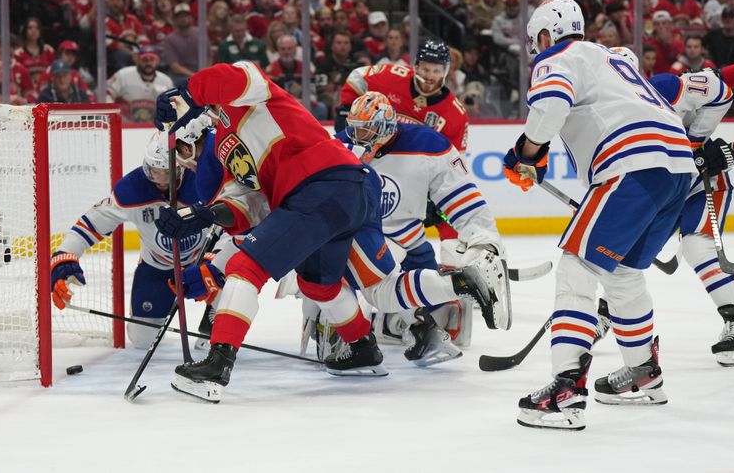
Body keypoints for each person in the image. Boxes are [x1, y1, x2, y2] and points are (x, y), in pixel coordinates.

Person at [506, 0, 694, 430]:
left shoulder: (558, 56)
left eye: (538, 42)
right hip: (676, 168)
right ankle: (644, 374)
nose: (538, 50)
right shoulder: (610, 57)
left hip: (630, 165)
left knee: (576, 266)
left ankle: (565, 390)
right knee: (622, 273)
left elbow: (550, 106)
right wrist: (533, 154)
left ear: (547, 35)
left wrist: (527, 152)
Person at [151, 60, 389, 402]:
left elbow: (235, 75)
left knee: (245, 268)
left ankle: (217, 366)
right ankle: (363, 348)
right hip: (340, 193)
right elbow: (251, 202)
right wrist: (202, 216)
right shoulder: (224, 147)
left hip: (319, 185)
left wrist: (187, 91)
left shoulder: (249, 94)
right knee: (318, 285)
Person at [336, 91, 511, 360]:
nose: (359, 136)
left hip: (407, 239)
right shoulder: (343, 144)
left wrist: (484, 239)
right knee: (341, 281)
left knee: (400, 294)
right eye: (356, 129)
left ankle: (423, 324)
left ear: (384, 125)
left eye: (367, 129)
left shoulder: (429, 144)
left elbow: (463, 196)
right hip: (364, 237)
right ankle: (420, 329)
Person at [607, 47, 734, 367]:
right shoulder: (604, 121)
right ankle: (601, 315)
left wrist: (714, 146)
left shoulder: (664, 89)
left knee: (696, 247)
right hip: (659, 196)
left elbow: (723, 85)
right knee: (616, 257)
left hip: (699, 185)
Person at [50, 131, 207, 349]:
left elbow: (233, 224)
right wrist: (64, 256)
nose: (160, 179)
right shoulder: (131, 191)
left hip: (203, 264)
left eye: (166, 171)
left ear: (180, 167)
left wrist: (214, 262)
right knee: (142, 340)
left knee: (216, 336)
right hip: (157, 267)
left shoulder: (203, 180)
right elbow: (91, 224)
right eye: (154, 171)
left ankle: (214, 321)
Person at [339, 38, 469, 153]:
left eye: (436, 71)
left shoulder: (456, 114)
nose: (430, 77)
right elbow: (358, 77)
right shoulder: (392, 77)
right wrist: (346, 110)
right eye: (425, 70)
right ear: (416, 66)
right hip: (377, 154)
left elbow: (455, 160)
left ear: (445, 72)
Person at [107, 44, 173, 124]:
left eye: (152, 59)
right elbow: (107, 93)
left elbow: (174, 103)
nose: (148, 63)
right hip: (125, 126)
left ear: (158, 61)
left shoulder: (166, 81)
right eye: (144, 60)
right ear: (138, 60)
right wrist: (114, 115)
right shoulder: (123, 75)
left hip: (154, 127)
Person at [161, 3, 200, 84]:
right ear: (174, 19)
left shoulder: (200, 33)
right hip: (181, 75)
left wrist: (203, 72)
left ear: (191, 18)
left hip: (201, 71)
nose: (183, 19)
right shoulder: (169, 39)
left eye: (186, 16)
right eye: (180, 16)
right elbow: (175, 66)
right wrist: (194, 75)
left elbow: (209, 56)